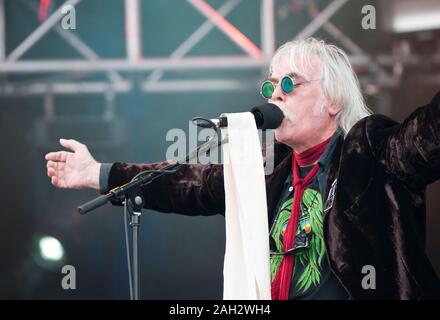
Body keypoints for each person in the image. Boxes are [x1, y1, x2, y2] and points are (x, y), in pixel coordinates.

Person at [45, 37, 440, 299]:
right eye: (270, 86)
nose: (276, 94)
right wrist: (97, 172)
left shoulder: (367, 151)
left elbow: (427, 136)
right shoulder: (269, 169)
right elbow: (187, 183)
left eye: (291, 83)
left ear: (333, 100)